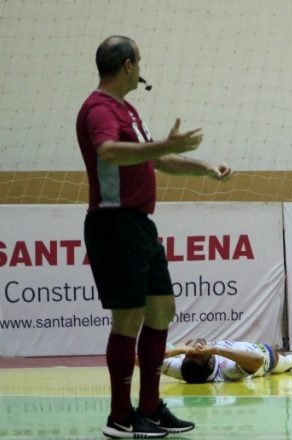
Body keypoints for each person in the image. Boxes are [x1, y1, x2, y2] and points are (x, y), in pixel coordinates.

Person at [76, 35, 232, 439]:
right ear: (128, 65)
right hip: (113, 224)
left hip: (140, 226)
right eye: (139, 62)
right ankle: (120, 416)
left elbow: (156, 158)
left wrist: (204, 168)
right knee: (127, 318)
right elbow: (108, 152)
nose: (141, 69)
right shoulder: (99, 109)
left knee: (161, 310)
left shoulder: (127, 109)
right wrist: (162, 144)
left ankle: (149, 407)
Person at [157, 339, 292, 383]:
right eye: (197, 352)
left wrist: (178, 350)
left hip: (236, 352)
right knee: (277, 359)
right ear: (211, 362)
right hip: (263, 359)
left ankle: (169, 349)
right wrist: (215, 350)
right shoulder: (227, 370)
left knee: (163, 350)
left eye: (188, 354)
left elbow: (144, 359)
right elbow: (258, 360)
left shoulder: (178, 368)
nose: (194, 349)